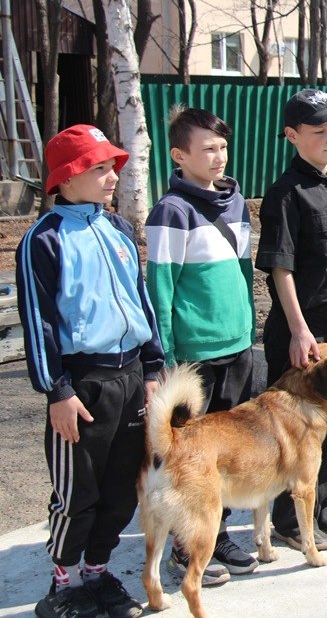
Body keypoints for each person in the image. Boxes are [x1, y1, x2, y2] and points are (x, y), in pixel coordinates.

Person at [16, 125, 164, 618]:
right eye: (98, 168)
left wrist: (152, 365)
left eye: (112, 167)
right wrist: (57, 391)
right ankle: (63, 583)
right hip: (81, 387)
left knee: (123, 486)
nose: (110, 178)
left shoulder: (118, 229)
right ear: (66, 177)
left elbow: (140, 299)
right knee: (78, 492)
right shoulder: (44, 240)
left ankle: (98, 573)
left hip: (129, 379)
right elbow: (39, 322)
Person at [144, 106, 257, 584]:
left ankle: (219, 532)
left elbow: (246, 276)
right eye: (207, 149)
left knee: (225, 456)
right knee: (187, 458)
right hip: (194, 355)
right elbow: (161, 289)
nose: (218, 157)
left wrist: (248, 330)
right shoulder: (171, 211)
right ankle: (182, 548)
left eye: (223, 148)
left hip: (238, 345)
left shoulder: (235, 203)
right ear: (178, 154)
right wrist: (165, 360)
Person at [255, 88, 327, 549]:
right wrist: (300, 330)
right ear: (291, 135)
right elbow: (280, 267)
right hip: (300, 328)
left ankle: (326, 508)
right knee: (294, 429)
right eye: (319, 131)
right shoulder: (286, 193)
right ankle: (288, 519)